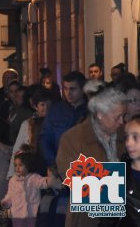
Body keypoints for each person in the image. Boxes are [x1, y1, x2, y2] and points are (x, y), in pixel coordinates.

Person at [56, 87, 127, 227]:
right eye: (118, 117)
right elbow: (78, 182)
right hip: (86, 219)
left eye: (124, 116)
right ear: (100, 114)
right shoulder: (72, 138)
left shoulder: (126, 136)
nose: (122, 122)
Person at [39, 71, 87, 168]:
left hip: (85, 165)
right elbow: (45, 138)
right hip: (59, 164)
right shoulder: (56, 110)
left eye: (73, 89)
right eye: (65, 88)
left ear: (83, 89)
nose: (68, 93)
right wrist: (53, 163)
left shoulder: (91, 110)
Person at [1, 151, 61, 227]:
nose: (17, 168)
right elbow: (10, 194)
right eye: (15, 165)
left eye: (20, 165)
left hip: (32, 213)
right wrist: (6, 201)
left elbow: (43, 182)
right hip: (17, 214)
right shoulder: (13, 180)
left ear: (28, 166)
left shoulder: (33, 178)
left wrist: (51, 180)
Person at [7, 85, 51, 178]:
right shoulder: (28, 124)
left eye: (48, 104)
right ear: (35, 106)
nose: (46, 108)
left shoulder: (55, 123)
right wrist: (12, 174)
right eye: (42, 105)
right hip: (31, 170)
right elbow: (17, 149)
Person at [119, 114, 140, 227]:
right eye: (126, 137)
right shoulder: (117, 174)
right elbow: (108, 221)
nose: (128, 143)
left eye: (135, 137)